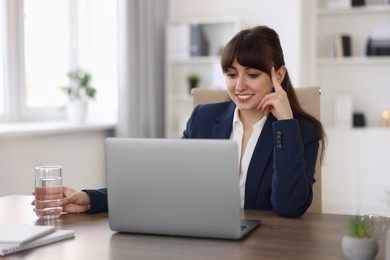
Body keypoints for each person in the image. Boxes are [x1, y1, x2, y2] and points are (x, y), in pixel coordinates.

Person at [32, 25, 326, 217]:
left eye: (252, 74)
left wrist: (284, 123)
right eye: (231, 74)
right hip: (203, 241)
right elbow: (163, 182)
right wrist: (91, 198)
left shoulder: (301, 131)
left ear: (279, 76)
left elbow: (289, 207)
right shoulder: (204, 119)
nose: (239, 86)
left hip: (268, 246)